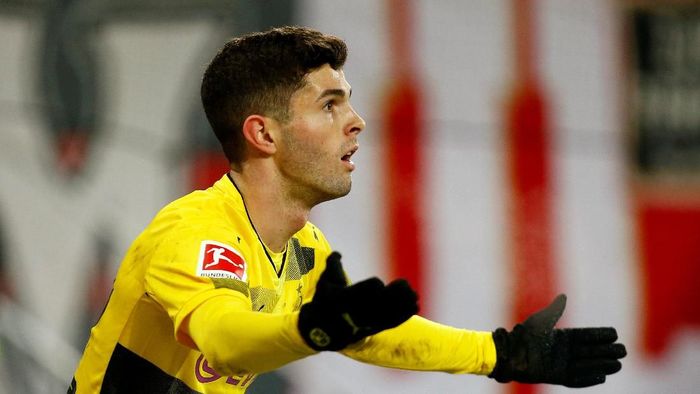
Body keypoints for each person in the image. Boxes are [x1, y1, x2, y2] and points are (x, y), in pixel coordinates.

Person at [69, 26, 626, 393]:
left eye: (350, 101)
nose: (357, 121)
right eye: (330, 104)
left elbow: (364, 334)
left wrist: (501, 354)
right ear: (263, 133)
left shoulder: (304, 247)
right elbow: (221, 334)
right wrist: (308, 330)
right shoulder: (193, 230)